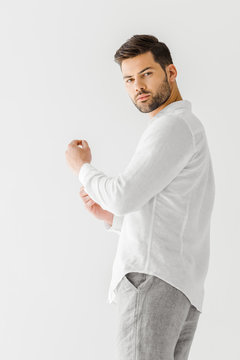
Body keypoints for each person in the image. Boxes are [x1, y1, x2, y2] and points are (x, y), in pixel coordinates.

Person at [66, 34, 215, 360]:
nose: (138, 86)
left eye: (147, 73)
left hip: (152, 282)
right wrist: (115, 221)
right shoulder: (188, 129)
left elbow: (122, 195)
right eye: (129, 79)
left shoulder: (172, 126)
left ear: (171, 73)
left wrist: (83, 169)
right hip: (179, 287)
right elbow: (175, 215)